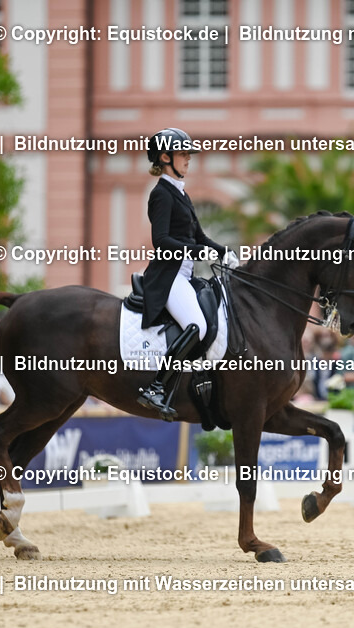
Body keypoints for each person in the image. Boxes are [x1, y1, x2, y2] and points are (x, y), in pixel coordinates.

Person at [136, 127, 237, 420]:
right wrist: (195, 252)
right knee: (197, 325)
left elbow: (199, 236)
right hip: (168, 277)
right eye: (183, 154)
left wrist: (222, 251)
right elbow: (161, 241)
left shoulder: (180, 193)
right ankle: (156, 387)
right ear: (165, 157)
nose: (188, 159)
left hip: (185, 275)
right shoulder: (161, 195)